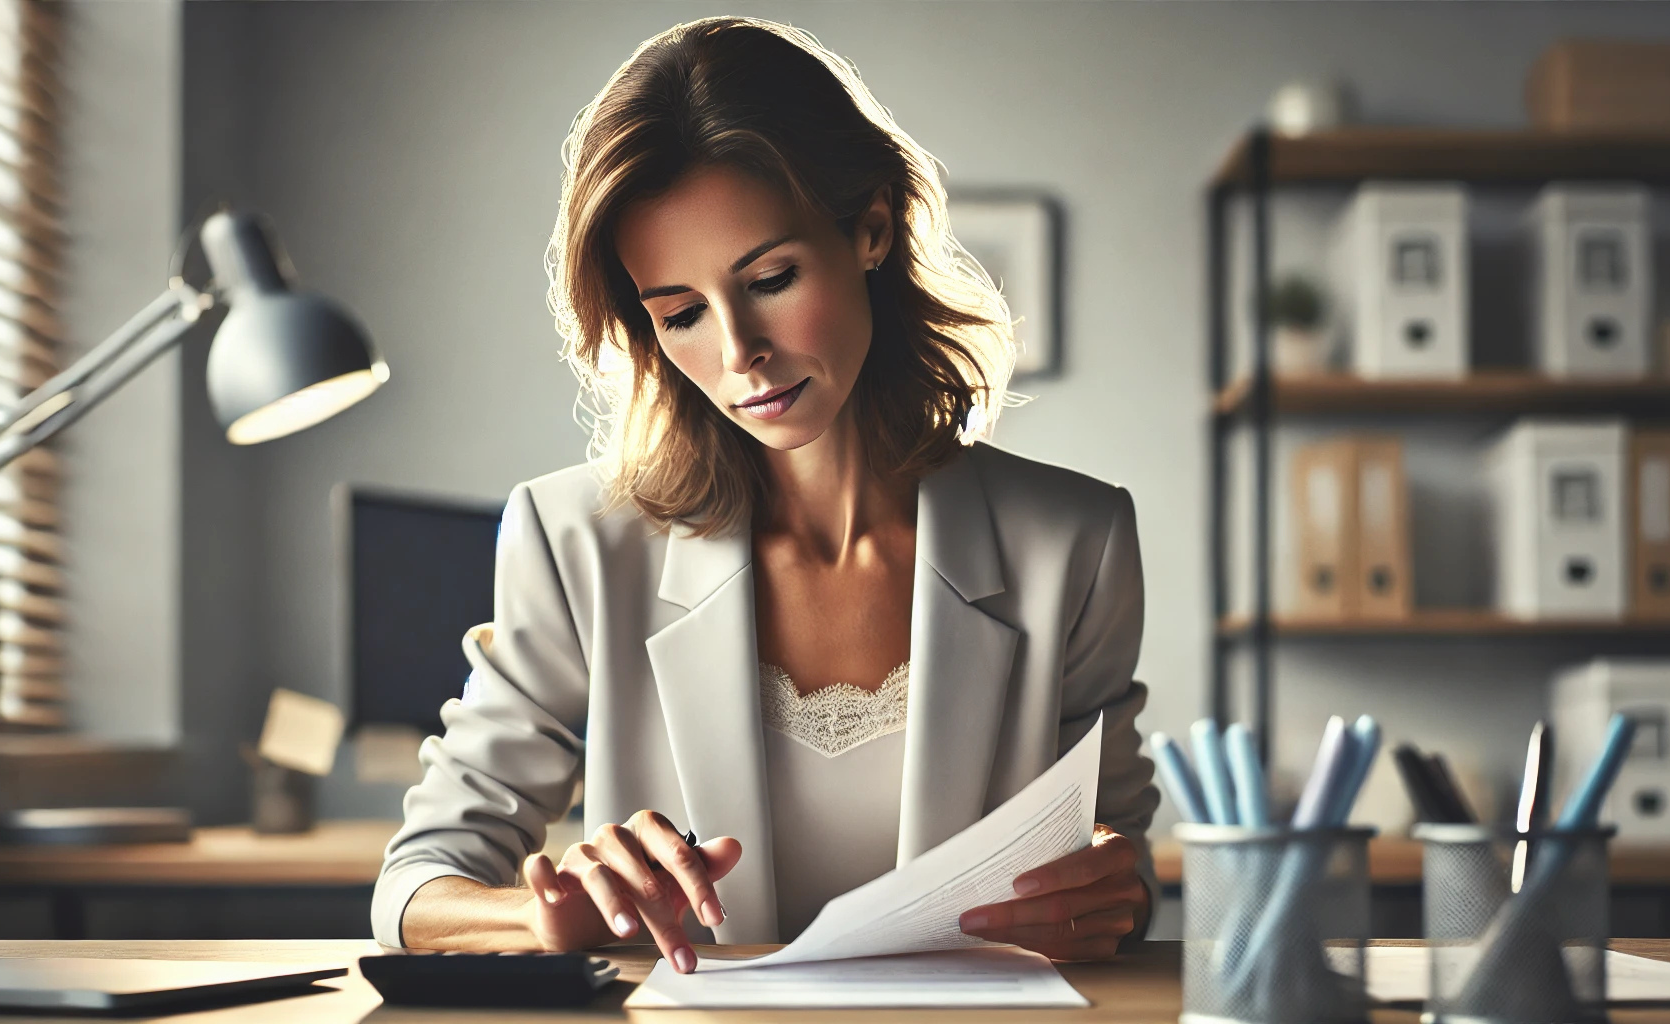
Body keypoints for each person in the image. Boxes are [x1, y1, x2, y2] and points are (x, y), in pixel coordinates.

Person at [372, 15, 1159, 976]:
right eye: (683, 314)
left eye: (771, 278)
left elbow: (1118, 852)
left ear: (872, 228)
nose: (739, 352)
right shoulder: (574, 540)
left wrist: (1115, 891)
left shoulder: (1075, 541)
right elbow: (416, 886)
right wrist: (543, 917)